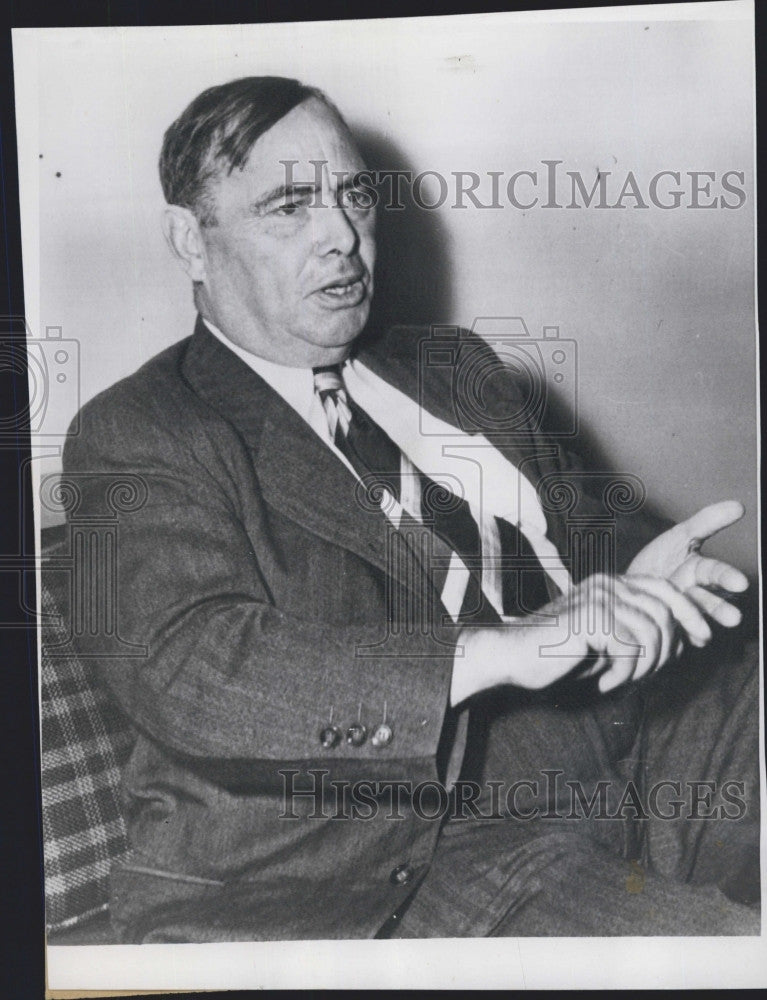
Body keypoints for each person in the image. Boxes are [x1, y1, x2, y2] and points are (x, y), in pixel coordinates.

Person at [61, 76, 760, 941]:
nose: (342, 238)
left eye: (355, 196)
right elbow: (188, 665)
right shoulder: (141, 429)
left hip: (631, 735)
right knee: (715, 949)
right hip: (404, 843)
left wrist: (640, 572)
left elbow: (574, 528)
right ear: (190, 242)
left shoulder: (451, 369)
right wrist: (491, 650)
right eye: (289, 205)